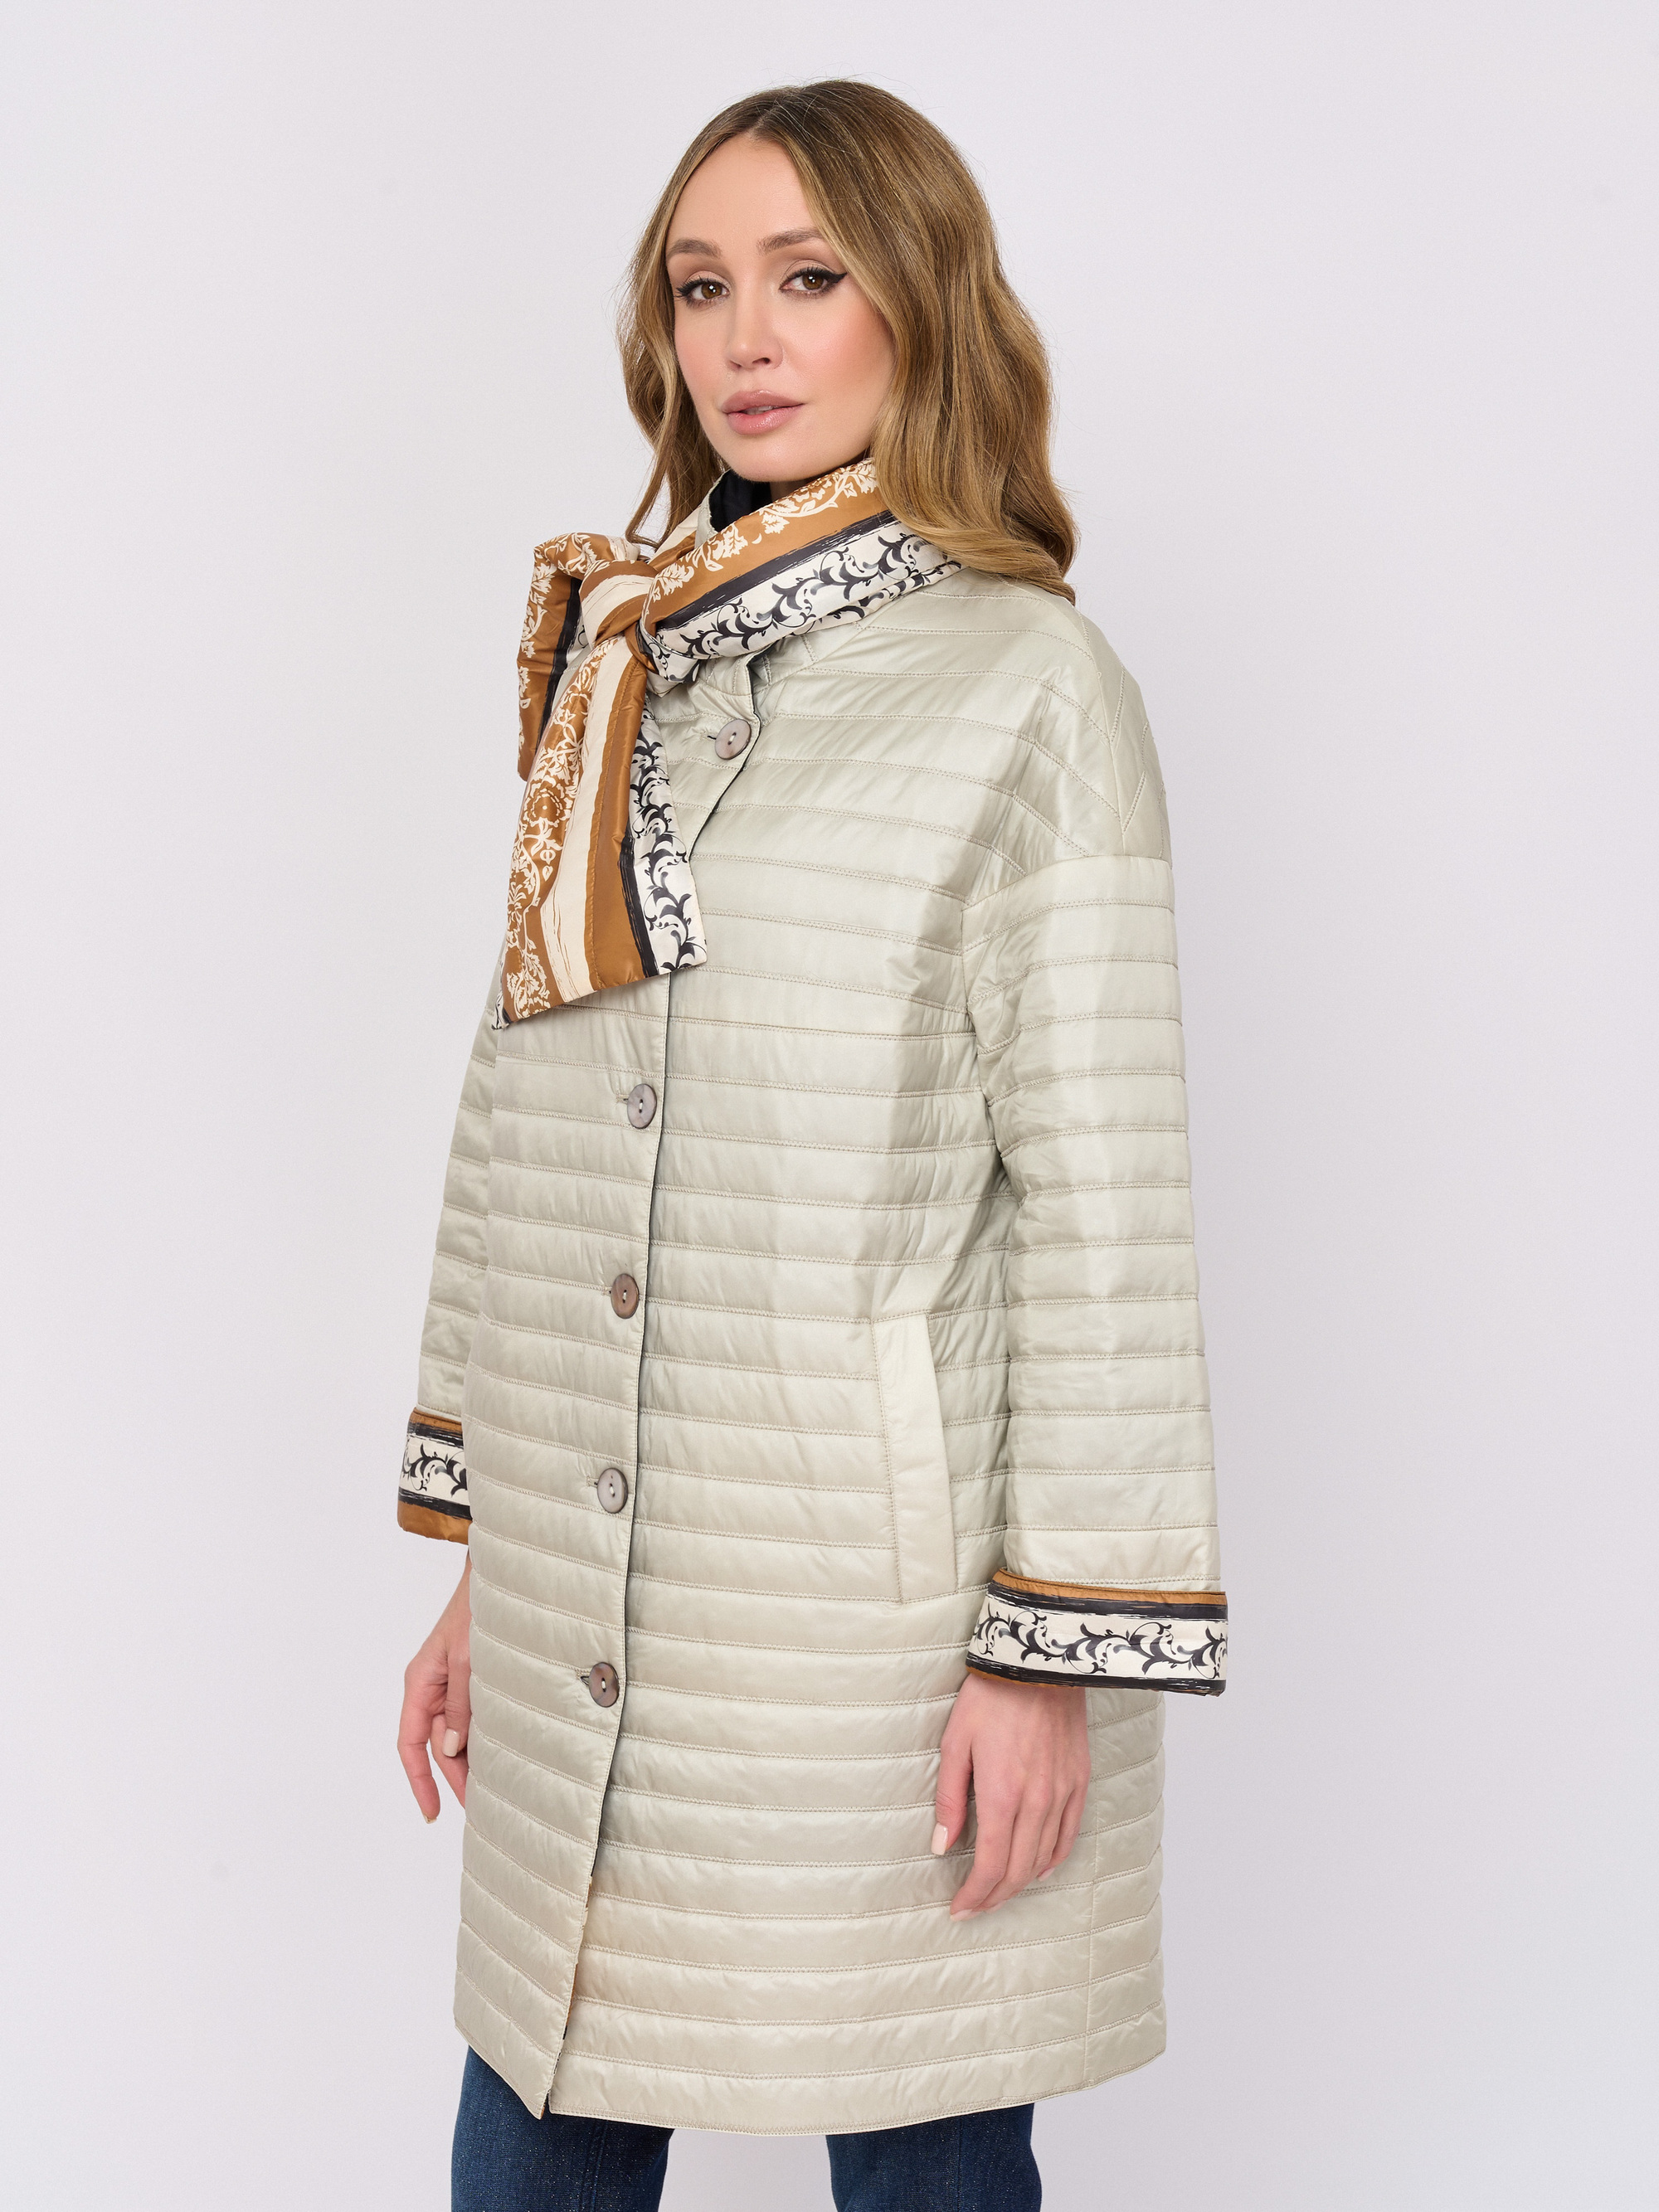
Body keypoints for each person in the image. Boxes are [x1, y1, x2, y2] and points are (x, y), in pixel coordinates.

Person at [395, 79, 1227, 2212]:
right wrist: (495, 1557)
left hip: (879, 1620)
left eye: (806, 276)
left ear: (917, 305)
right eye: (701, 287)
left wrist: (1042, 1650)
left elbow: (1104, 1204)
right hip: (596, 1596)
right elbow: (522, 1119)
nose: (744, 338)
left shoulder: (1030, 687)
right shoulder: (622, 678)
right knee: (536, 2113)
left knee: (927, 2135)